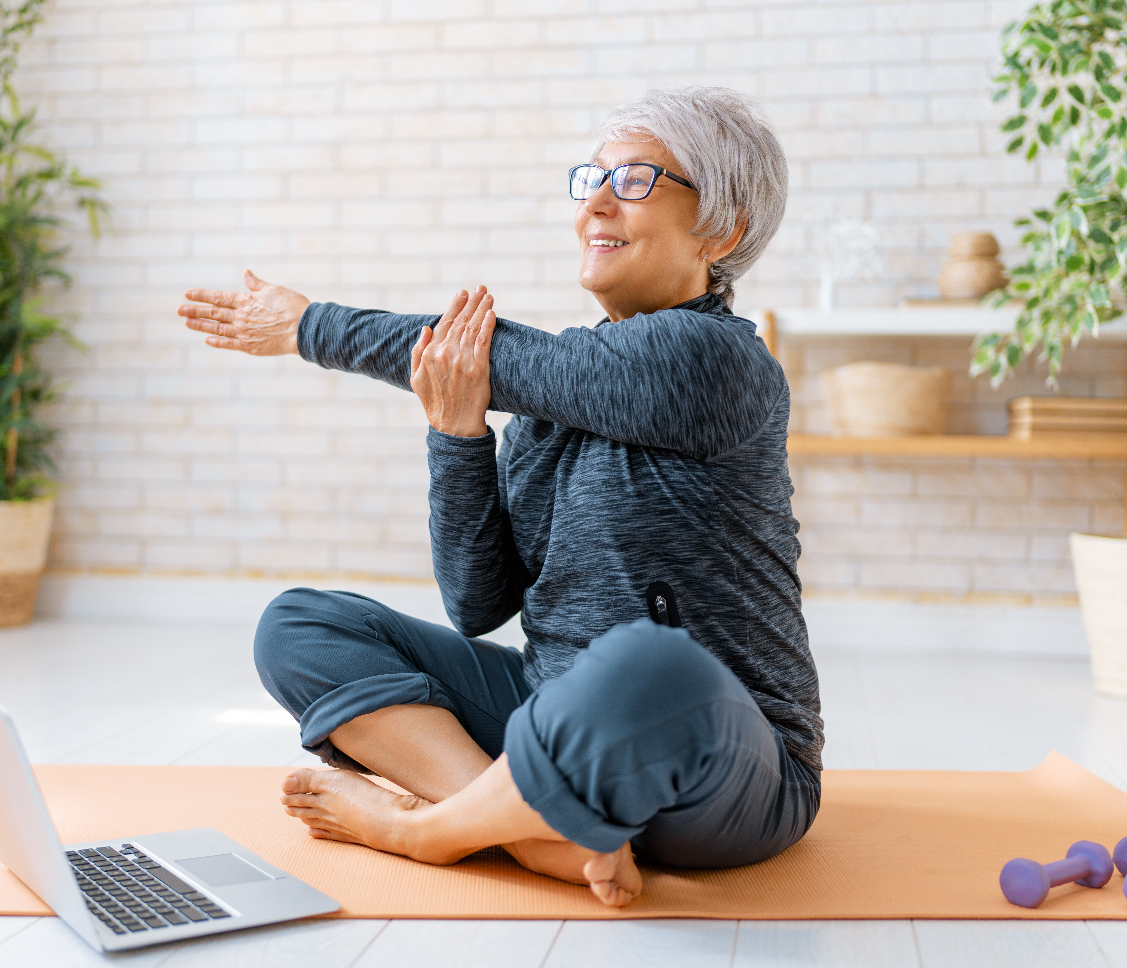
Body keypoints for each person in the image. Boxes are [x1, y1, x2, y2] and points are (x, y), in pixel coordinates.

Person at [177, 86, 821, 907]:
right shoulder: (554, 406)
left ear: (720, 229)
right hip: (552, 725)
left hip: (727, 768)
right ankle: (533, 831)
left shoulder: (718, 360)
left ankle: (427, 829)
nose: (595, 202)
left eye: (634, 180)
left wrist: (309, 324)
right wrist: (457, 439)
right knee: (299, 626)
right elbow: (479, 604)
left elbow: (506, 358)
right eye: (590, 178)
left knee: (651, 663)